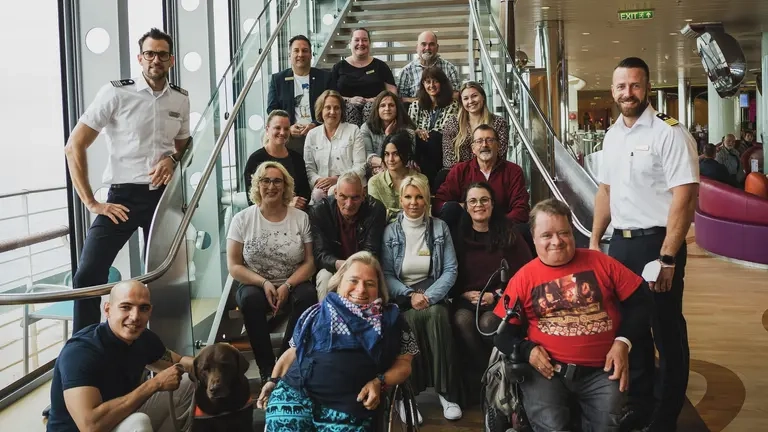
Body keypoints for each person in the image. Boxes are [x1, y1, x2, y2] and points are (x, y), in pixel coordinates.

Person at [590, 57, 699, 432]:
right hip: (620, 244)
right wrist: (594, 241)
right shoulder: (612, 135)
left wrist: (668, 256)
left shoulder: (669, 132)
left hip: (657, 243)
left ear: (647, 87)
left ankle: (666, 414)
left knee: (665, 328)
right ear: (613, 90)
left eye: (634, 85)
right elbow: (605, 191)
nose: (627, 93)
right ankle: (637, 400)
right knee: (628, 327)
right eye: (621, 86)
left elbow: (684, 197)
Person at [65, 28, 190, 333]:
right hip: (122, 197)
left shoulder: (180, 98)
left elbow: (184, 143)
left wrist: (172, 159)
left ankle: (159, 342)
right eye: (150, 54)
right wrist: (92, 202)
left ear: (171, 60)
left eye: (162, 54)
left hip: (163, 196)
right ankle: (82, 346)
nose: (155, 60)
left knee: (168, 276)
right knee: (88, 275)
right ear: (140, 58)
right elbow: (74, 145)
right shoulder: (116, 92)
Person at [494, 199, 651, 432]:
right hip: (546, 372)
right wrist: (528, 351)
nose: (557, 241)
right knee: (552, 427)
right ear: (534, 238)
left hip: (602, 371)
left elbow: (642, 302)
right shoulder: (524, 278)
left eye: (564, 233)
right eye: (547, 235)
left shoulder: (601, 263)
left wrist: (622, 342)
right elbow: (502, 335)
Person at [256, 251, 419, 431]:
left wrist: (380, 381)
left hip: (348, 403)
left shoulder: (391, 319)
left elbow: (404, 364)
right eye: (353, 280)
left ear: (379, 289)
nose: (361, 289)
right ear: (339, 282)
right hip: (294, 395)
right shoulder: (315, 313)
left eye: (370, 283)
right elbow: (292, 352)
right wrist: (272, 380)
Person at [47, 280, 195, 432]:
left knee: (187, 380)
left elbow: (179, 363)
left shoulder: (143, 338)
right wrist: (154, 384)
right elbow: (91, 426)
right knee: (137, 424)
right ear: (108, 309)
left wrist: (212, 362)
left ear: (150, 311)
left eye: (143, 308)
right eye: (126, 307)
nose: (135, 316)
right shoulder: (80, 352)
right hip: (90, 427)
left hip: (118, 417)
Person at [226, 161, 317, 382]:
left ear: (286, 186)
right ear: (257, 185)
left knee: (308, 296)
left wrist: (287, 285)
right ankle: (267, 368)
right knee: (249, 300)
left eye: (277, 181)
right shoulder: (242, 219)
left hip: (292, 281)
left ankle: (285, 360)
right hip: (255, 283)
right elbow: (234, 266)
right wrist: (264, 283)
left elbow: (310, 262)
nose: (271, 186)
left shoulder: (300, 218)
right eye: (265, 181)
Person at [380, 175, 462, 421]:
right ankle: (408, 397)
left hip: (432, 294)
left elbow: (450, 269)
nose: (413, 202)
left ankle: (446, 393)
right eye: (408, 197)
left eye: (419, 197)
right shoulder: (390, 231)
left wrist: (428, 296)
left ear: (427, 199)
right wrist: (409, 295)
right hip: (403, 297)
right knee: (409, 322)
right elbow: (386, 274)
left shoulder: (439, 227)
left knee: (437, 316)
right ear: (400, 199)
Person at [451, 183, 532, 394]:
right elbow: (451, 271)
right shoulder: (458, 236)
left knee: (488, 322)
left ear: (492, 204)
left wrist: (496, 295)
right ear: (466, 206)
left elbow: (525, 272)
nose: (479, 205)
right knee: (462, 319)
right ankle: (486, 374)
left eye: (484, 200)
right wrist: (463, 293)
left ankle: (497, 373)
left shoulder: (509, 232)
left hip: (502, 297)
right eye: (473, 201)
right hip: (468, 299)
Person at [434, 124, 530, 230]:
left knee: (524, 230)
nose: (484, 145)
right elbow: (439, 204)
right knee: (450, 209)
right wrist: (464, 207)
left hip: (501, 231)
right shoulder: (459, 170)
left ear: (498, 145)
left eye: (490, 140)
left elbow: (521, 209)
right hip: (465, 232)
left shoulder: (513, 171)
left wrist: (495, 225)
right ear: (473, 149)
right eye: (479, 141)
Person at [310, 171, 387, 300]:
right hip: (334, 266)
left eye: (355, 197)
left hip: (364, 265)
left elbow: (371, 251)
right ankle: (326, 318)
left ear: (363, 195)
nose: (349, 204)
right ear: (335, 194)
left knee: (371, 277)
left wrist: (352, 267)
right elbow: (320, 254)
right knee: (324, 277)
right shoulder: (320, 210)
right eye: (343, 197)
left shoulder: (375, 209)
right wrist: (340, 264)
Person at [267, 34, 334, 154]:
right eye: (296, 51)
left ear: (310, 54)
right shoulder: (278, 80)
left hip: (320, 131)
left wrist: (315, 125)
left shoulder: (325, 78)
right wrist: (288, 127)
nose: (300, 54)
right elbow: (272, 110)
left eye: (305, 51)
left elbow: (333, 105)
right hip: (290, 134)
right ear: (289, 55)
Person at [304, 90, 366, 201]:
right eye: (328, 107)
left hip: (351, 189)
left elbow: (360, 167)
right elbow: (308, 168)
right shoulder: (312, 134)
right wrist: (319, 181)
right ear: (321, 110)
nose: (332, 112)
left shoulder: (353, 130)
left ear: (342, 111)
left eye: (336, 108)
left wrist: (338, 179)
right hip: (320, 190)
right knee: (318, 194)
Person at [243, 110, 311, 209]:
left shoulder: (297, 158)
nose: (282, 132)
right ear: (267, 130)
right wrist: (286, 204)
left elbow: (305, 193)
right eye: (277, 128)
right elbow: (252, 198)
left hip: (295, 214)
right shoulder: (255, 159)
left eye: (286, 129)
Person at [331, 28, 397, 126]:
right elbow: (330, 94)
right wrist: (349, 100)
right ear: (350, 43)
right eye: (357, 40)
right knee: (350, 108)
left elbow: (392, 92)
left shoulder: (380, 66)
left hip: (375, 110)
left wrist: (374, 100)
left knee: (370, 107)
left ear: (369, 43)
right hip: (346, 112)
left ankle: (371, 139)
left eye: (365, 40)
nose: (361, 43)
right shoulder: (339, 67)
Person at [407, 67, 459, 186]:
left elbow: (446, 128)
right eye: (428, 82)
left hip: (441, 146)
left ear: (442, 83)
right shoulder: (416, 105)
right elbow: (410, 127)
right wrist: (417, 131)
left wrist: (423, 133)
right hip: (421, 148)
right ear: (423, 84)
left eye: (435, 81)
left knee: (434, 138)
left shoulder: (452, 104)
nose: (432, 85)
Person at [441, 82, 509, 169]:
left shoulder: (499, 123)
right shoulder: (452, 123)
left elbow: (500, 155)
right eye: (466, 98)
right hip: (460, 174)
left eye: (474, 96)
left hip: (490, 172)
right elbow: (449, 160)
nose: (470, 101)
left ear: (483, 97)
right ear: (461, 102)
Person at [367, 131, 429, 222]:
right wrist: (406, 212)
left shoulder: (421, 180)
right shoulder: (375, 182)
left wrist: (389, 212)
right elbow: (376, 216)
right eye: (387, 154)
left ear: (406, 154)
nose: (390, 159)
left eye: (396, 154)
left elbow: (422, 212)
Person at [360, 90, 417, 176]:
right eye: (383, 105)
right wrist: (383, 164)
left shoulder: (408, 131)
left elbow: (406, 158)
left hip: (399, 170)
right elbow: (368, 157)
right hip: (375, 170)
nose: (387, 109)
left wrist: (389, 136)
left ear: (397, 108)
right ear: (377, 109)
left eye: (391, 105)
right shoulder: (366, 128)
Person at [397, 31, 461, 102]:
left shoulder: (449, 68)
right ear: (417, 47)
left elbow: (456, 95)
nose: (427, 48)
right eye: (423, 44)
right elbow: (400, 100)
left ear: (437, 48)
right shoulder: (406, 72)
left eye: (431, 44)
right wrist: (420, 102)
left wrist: (434, 101)